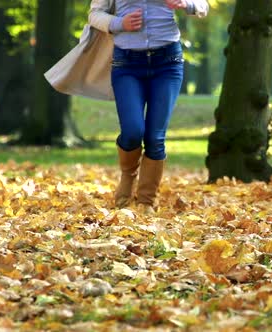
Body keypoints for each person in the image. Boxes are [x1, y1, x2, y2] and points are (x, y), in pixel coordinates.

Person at [88, 0, 208, 214]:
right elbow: (95, 14)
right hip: (127, 65)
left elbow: (203, 5)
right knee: (133, 131)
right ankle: (128, 174)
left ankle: (146, 202)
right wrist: (119, 23)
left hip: (167, 63)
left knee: (155, 137)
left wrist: (185, 3)